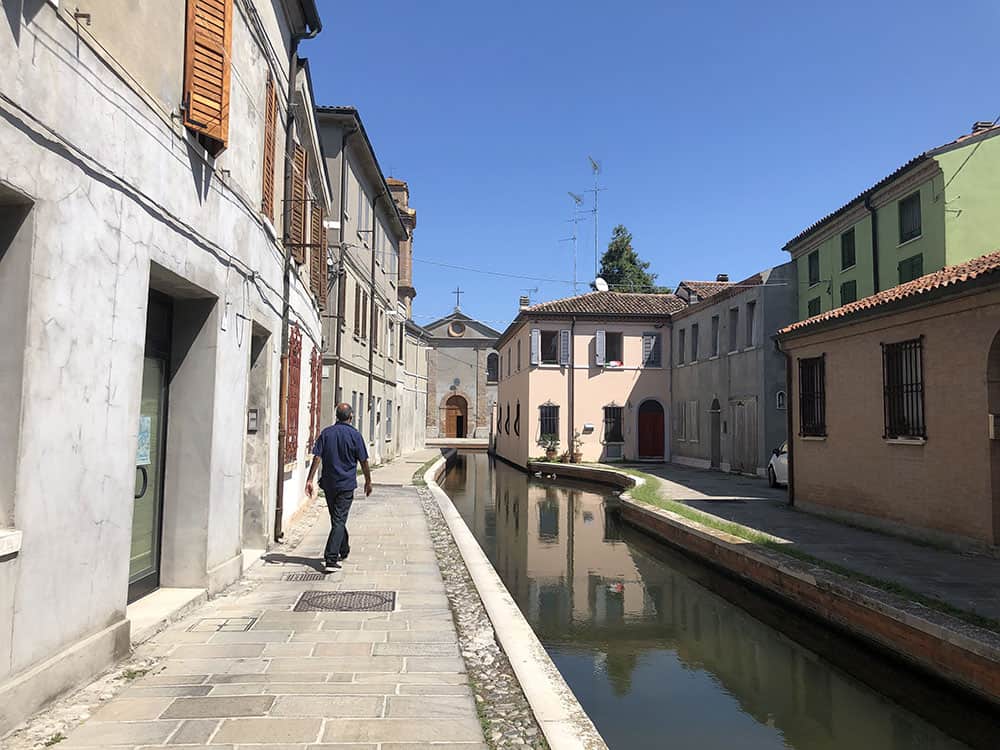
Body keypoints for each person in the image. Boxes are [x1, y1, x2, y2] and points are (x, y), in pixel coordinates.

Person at [306, 403, 372, 573]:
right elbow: (363, 461)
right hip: (345, 485)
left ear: (337, 416)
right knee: (339, 520)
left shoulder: (326, 433)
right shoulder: (355, 435)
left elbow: (317, 457)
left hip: (329, 484)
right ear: (350, 417)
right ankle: (331, 558)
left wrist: (310, 479)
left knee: (336, 519)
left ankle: (344, 549)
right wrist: (368, 481)